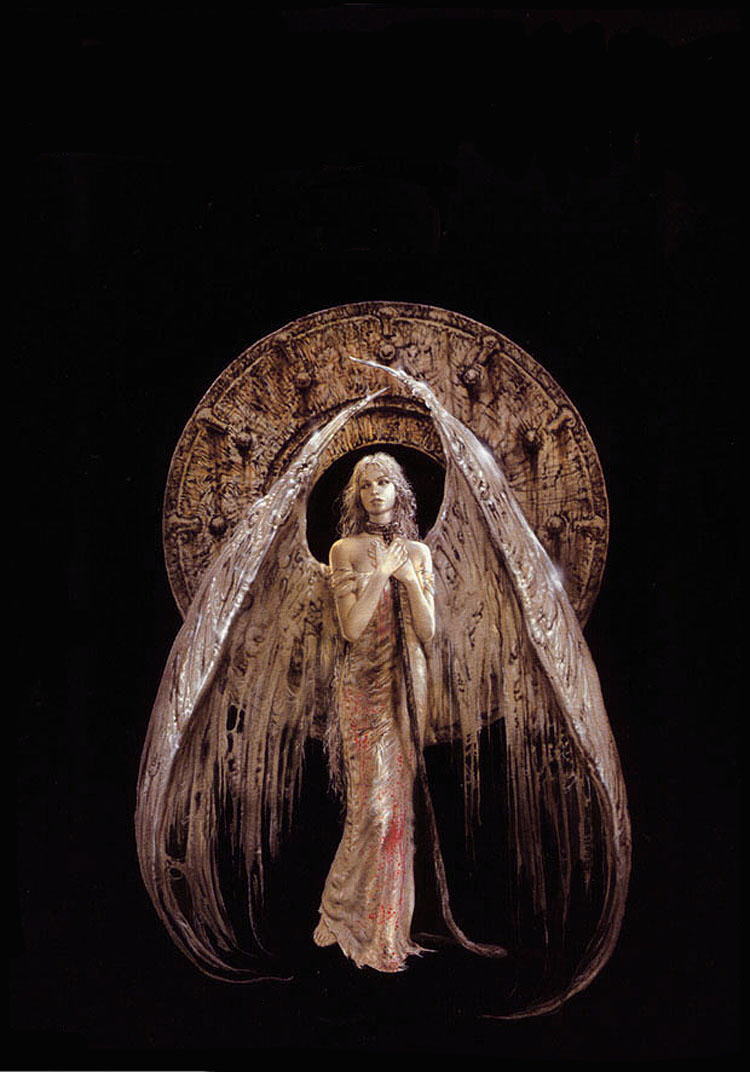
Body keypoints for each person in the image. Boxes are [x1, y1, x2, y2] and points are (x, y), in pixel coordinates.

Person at [313, 453, 436, 972]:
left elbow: (429, 631)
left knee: (397, 813)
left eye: (384, 482)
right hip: (361, 691)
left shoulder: (418, 553)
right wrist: (382, 573)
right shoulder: (344, 550)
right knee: (372, 810)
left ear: (399, 490)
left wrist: (408, 579)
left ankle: (388, 931)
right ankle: (339, 912)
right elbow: (352, 628)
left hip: (405, 692)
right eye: (366, 486)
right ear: (357, 496)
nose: (375, 492)